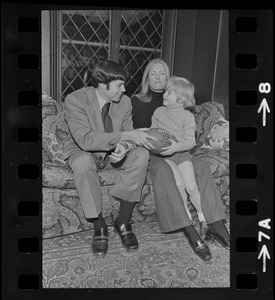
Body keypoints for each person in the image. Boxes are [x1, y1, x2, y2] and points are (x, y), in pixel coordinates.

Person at [131, 58, 230, 262]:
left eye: (162, 73)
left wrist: (178, 146)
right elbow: (130, 129)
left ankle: (216, 225)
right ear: (146, 78)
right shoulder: (135, 101)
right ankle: (188, 229)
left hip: (179, 150)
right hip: (153, 151)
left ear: (169, 79)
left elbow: (188, 137)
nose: (158, 77)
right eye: (153, 73)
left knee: (201, 166)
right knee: (166, 173)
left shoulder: (180, 101)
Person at [63, 60, 157, 258]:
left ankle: (122, 221)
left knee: (141, 154)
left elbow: (128, 133)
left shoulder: (125, 102)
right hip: (84, 151)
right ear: (102, 84)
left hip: (112, 153)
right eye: (119, 86)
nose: (123, 90)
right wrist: (124, 137)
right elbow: (85, 139)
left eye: (124, 85)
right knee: (81, 162)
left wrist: (124, 147)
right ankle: (99, 226)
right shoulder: (75, 99)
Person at [151, 76, 207, 231]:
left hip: (181, 154)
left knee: (190, 186)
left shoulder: (187, 116)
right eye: (165, 91)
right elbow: (153, 132)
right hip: (165, 156)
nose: (164, 94)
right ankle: (187, 217)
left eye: (169, 93)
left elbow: (191, 141)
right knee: (179, 184)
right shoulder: (158, 112)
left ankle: (202, 217)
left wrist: (177, 147)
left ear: (181, 99)